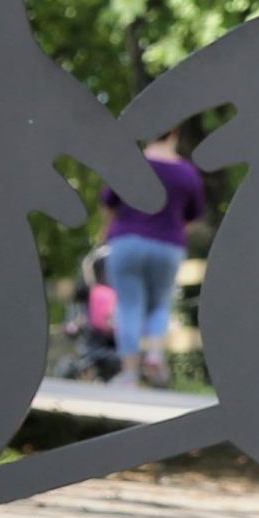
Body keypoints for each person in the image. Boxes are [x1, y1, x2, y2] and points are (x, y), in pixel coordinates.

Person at [100, 124, 208, 387]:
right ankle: (156, 355)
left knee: (128, 306)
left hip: (127, 241)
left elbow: (108, 203)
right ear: (175, 133)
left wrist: (107, 233)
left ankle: (129, 374)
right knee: (160, 304)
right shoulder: (187, 173)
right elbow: (191, 218)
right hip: (168, 246)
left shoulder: (132, 165)